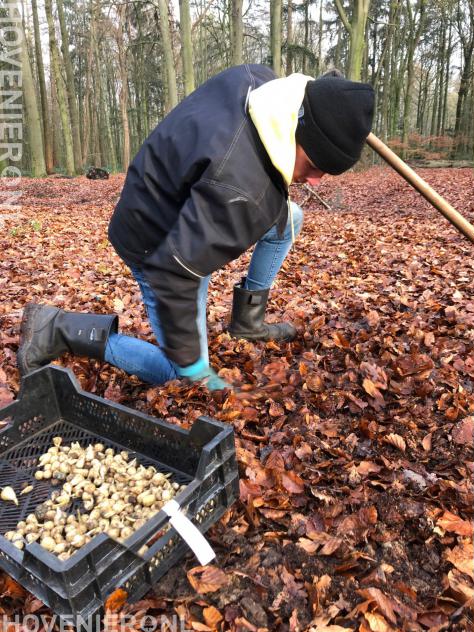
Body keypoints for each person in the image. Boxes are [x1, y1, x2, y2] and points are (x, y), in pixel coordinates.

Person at [17, 65, 374, 390]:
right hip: (157, 242)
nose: (314, 180)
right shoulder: (242, 191)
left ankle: (247, 321)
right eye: (313, 164)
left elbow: (312, 107)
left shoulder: (261, 83)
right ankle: (58, 328)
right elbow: (173, 277)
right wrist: (196, 367)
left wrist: (332, 93)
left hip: (167, 193)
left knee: (288, 218)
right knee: (187, 376)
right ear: (295, 129)